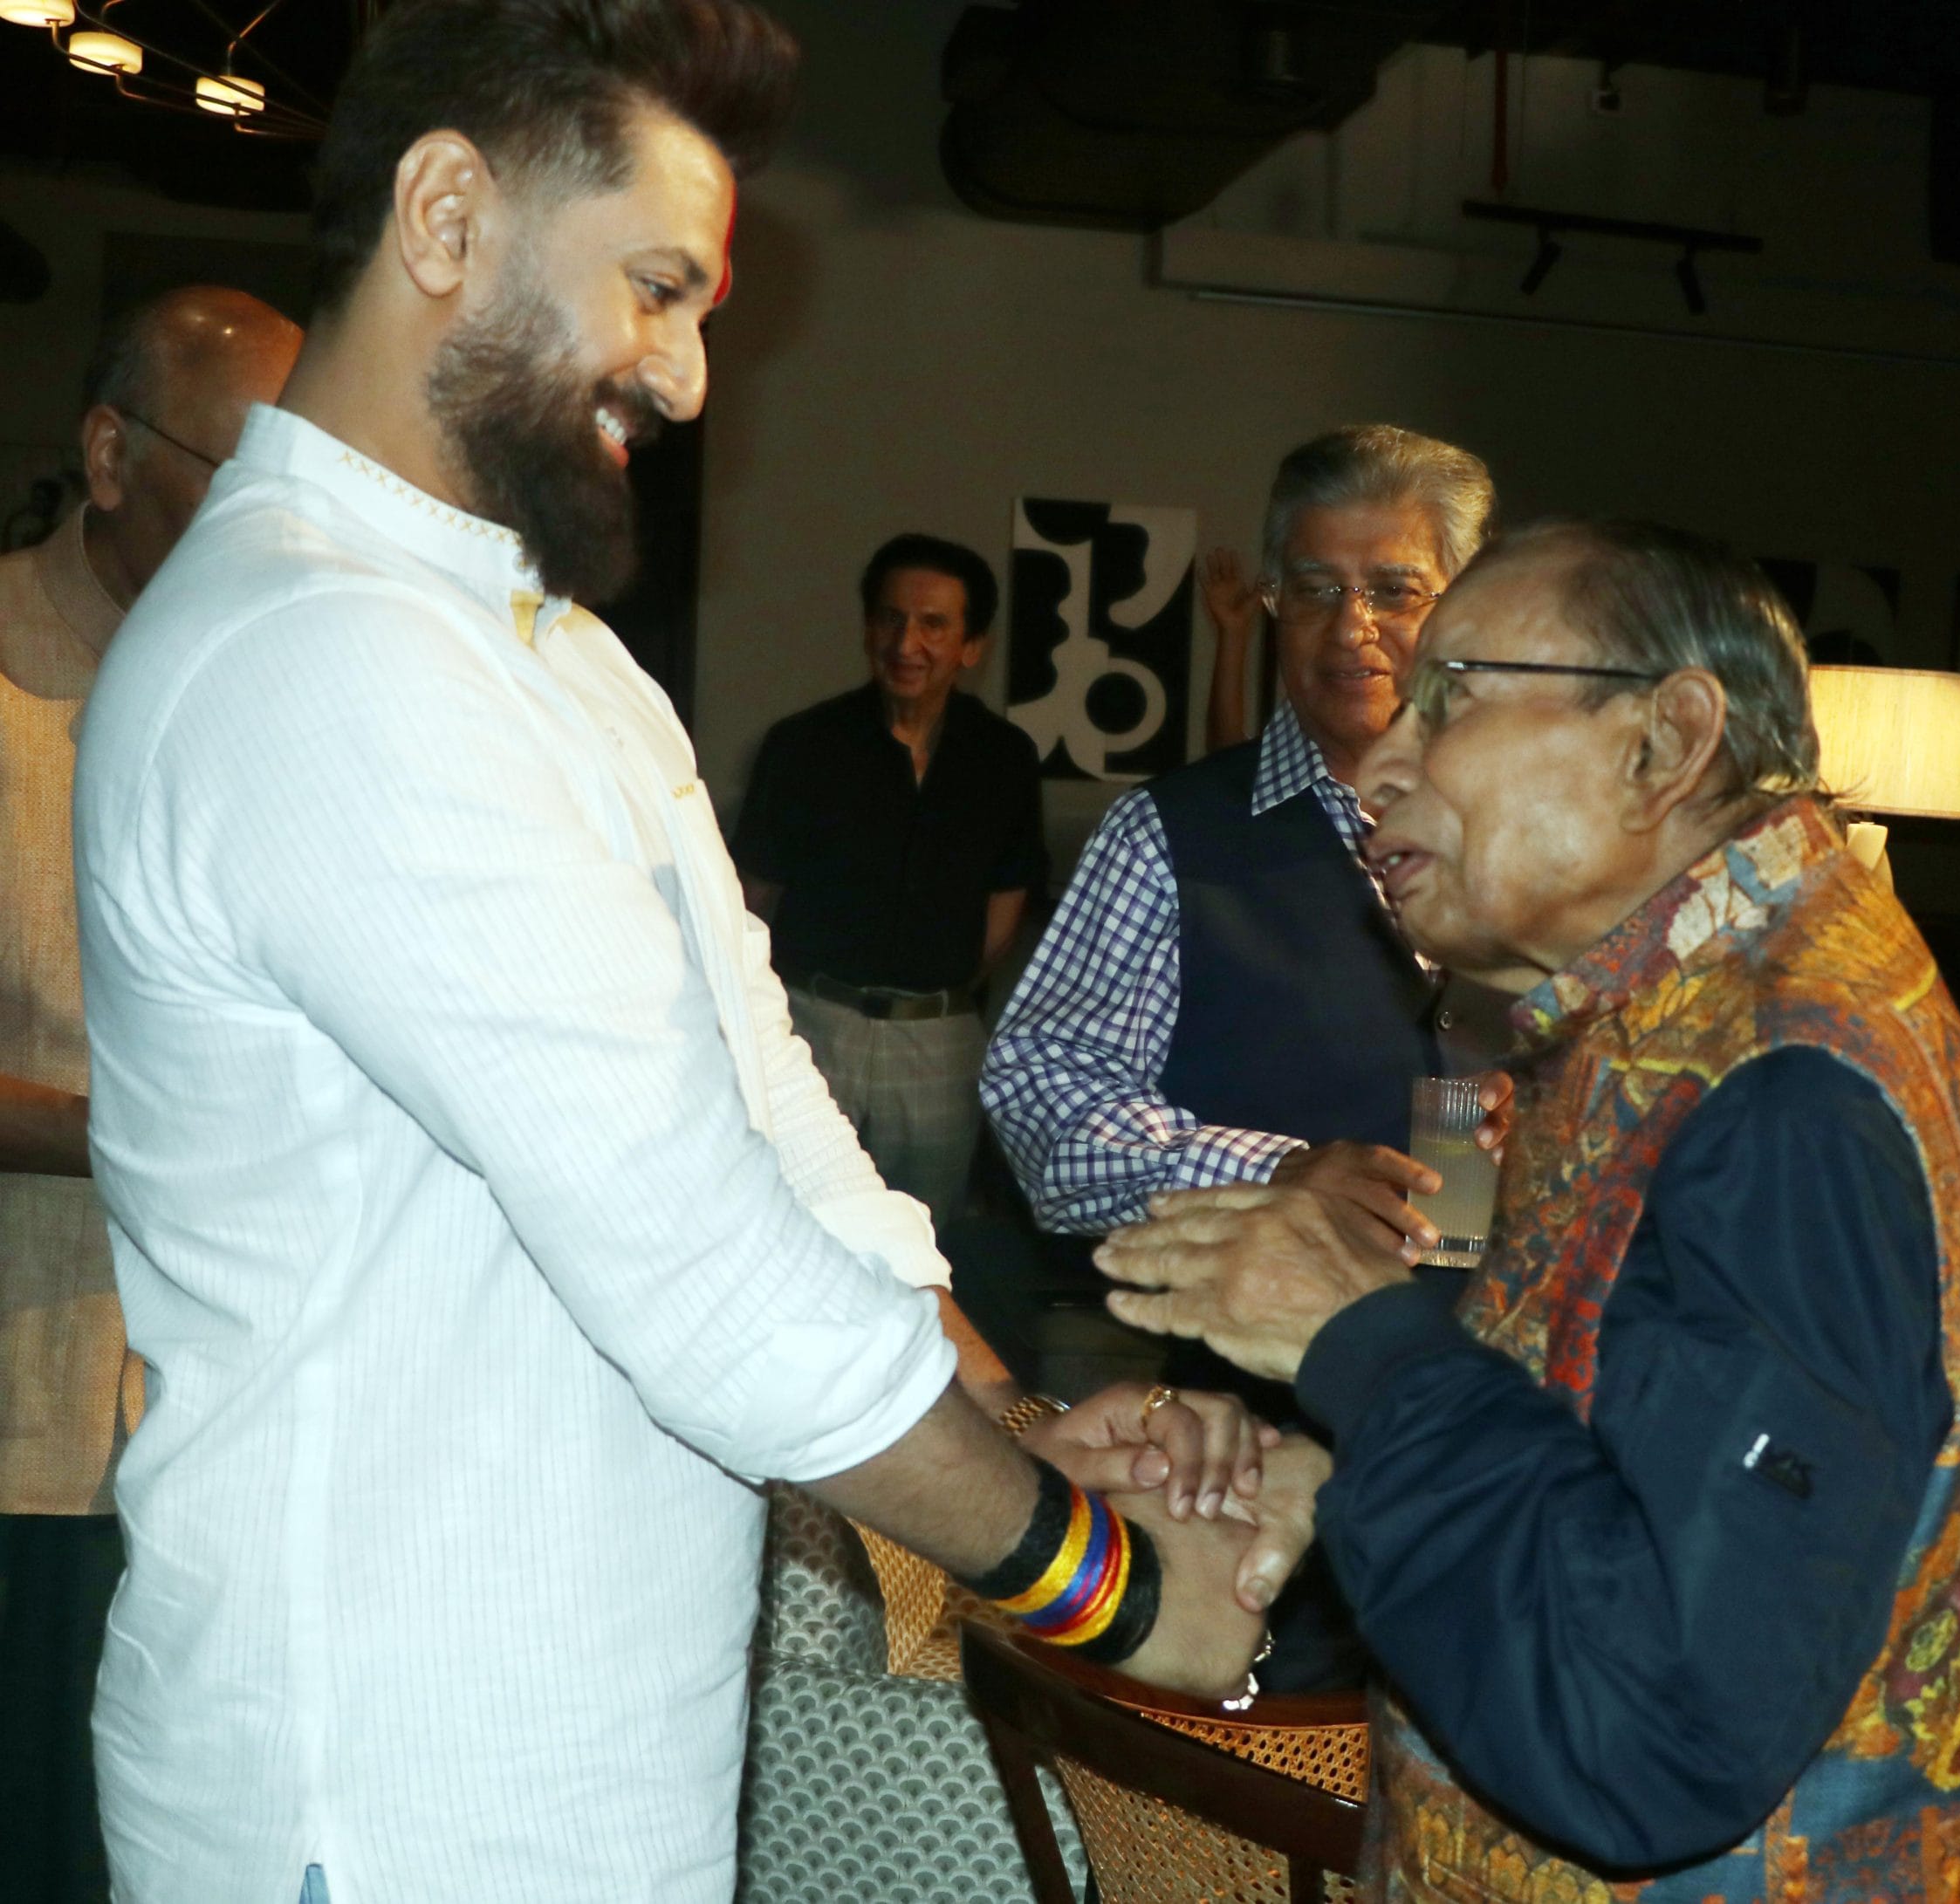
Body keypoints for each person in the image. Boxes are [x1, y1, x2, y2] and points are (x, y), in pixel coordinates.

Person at [70, 6, 1312, 1900]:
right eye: (655, 288)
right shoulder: (316, 655)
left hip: (585, 1770)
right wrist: (1108, 1584)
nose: (692, 372)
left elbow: (778, 1129)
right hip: (381, 1793)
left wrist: (1016, 1411)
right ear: (444, 215)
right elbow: (697, 1265)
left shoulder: (542, 651)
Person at [1098, 519, 1960, 1901]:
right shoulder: (1679, 1007)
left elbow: (1648, 1733)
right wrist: (1344, 1468)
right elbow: (1622, 1469)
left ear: (1663, 741)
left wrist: (1362, 1344)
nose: (1383, 760)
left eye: (1454, 695)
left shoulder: (1790, 1092)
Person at [0, 284, 301, 1904]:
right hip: (25, 1431)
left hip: (227, 1443)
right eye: (241, 477)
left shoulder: (277, 698)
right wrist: (145, 1139)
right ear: (111, 454)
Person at [983, 423, 1507, 1259]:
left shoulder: (1539, 823)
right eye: (1315, 590)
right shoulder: (1170, 838)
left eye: (1395, 592)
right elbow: (1048, 1097)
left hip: (1521, 1357)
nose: (1351, 629)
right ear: (1273, 603)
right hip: (1265, 1363)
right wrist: (1272, 1173)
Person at [730, 532, 1044, 1230]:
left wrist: (939, 989)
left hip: (937, 1042)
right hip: (813, 1025)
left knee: (926, 1244)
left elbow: (1007, 903)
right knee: (792, 1223)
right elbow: (752, 901)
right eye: (890, 618)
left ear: (971, 645)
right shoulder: (803, 745)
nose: (907, 641)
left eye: (934, 624)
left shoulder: (1004, 758)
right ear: (868, 627)